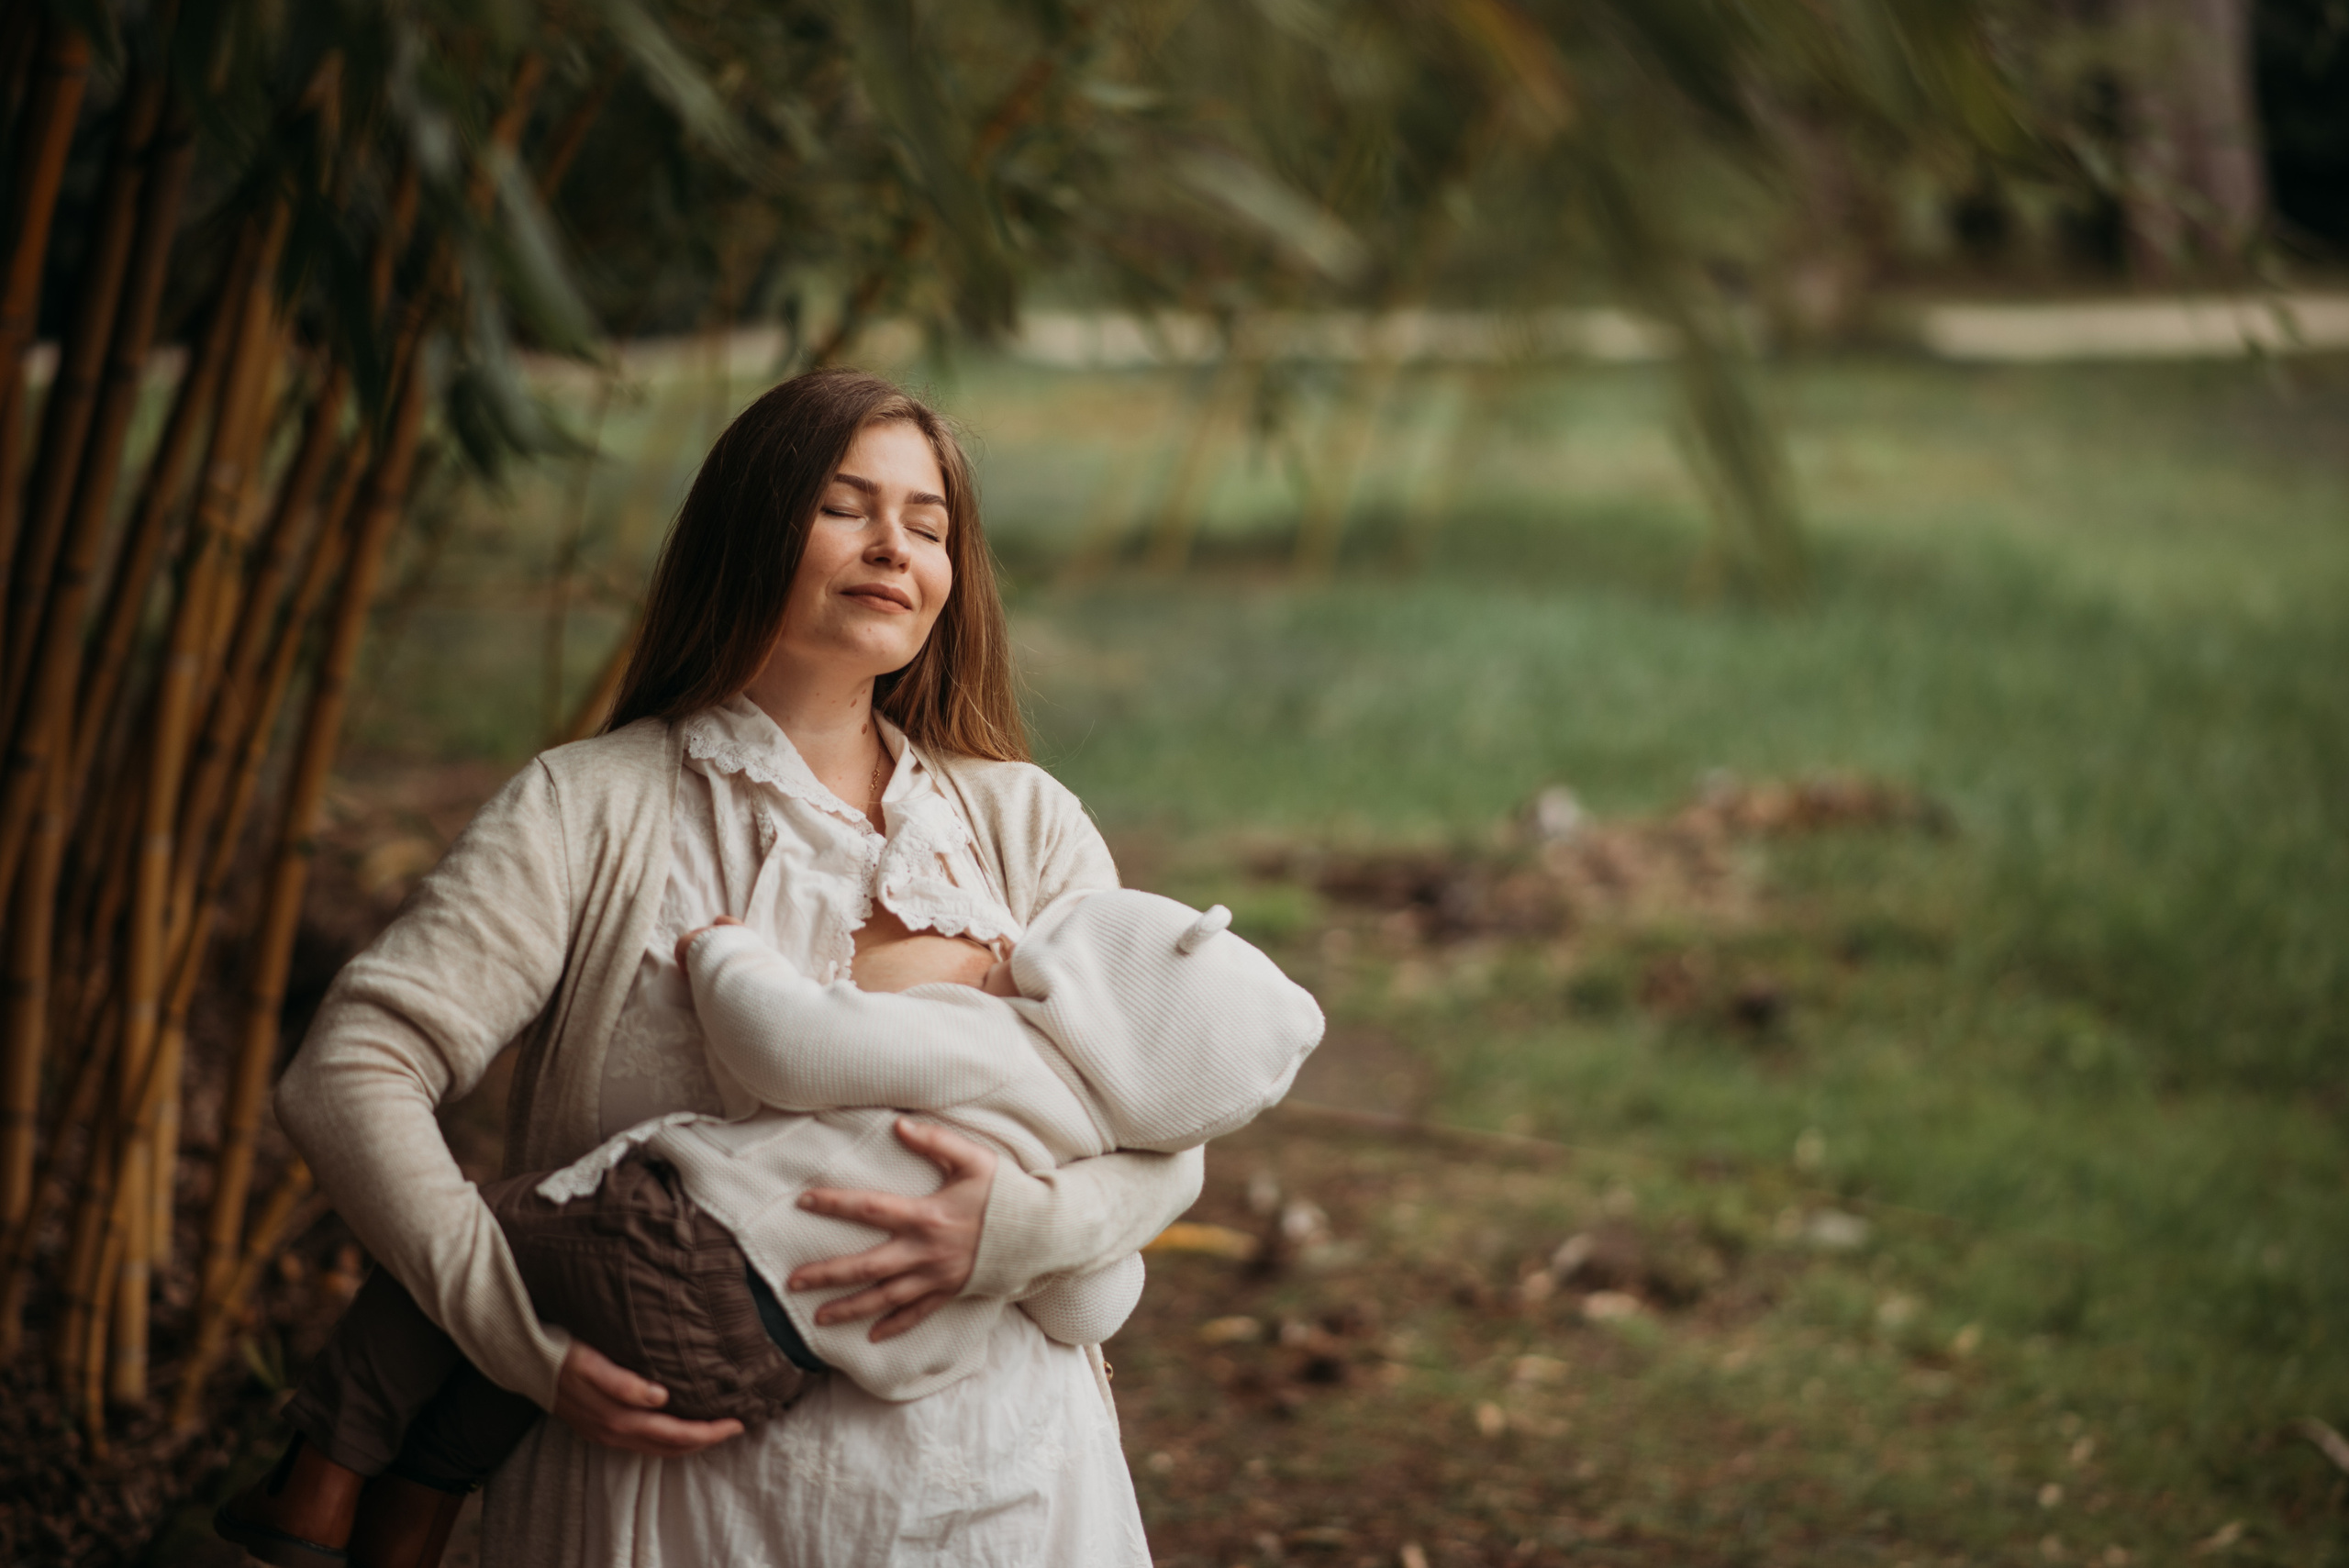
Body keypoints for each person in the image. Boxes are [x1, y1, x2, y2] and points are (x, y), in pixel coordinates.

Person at [260, 369, 1215, 1565]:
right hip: (663, 1501)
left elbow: (1166, 1124)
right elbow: (349, 1069)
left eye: (928, 525)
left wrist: (1015, 1230)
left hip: (1001, 1491)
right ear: (753, 526)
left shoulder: (1023, 823)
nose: (893, 548)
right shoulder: (591, 806)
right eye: (845, 507)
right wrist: (511, 1334)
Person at [218, 885, 1321, 1567]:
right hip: (761, 1366)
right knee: (501, 1358)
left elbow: (790, 1048)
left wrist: (725, 954)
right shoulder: (1087, 1131)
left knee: (465, 1247)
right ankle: (405, 1517)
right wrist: (1036, 1236)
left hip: (684, 1250)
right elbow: (1089, 1295)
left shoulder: (990, 1037)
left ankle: (318, 1478)